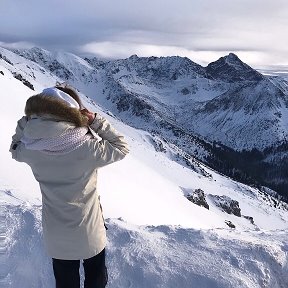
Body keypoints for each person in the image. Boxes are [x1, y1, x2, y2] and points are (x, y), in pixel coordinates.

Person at [9, 83, 129, 288]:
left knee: (65, 283)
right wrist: (95, 121)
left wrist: (26, 123)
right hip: (90, 232)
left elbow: (14, 148)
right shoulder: (86, 146)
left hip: (56, 235)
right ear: (72, 111)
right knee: (96, 280)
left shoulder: (30, 149)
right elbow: (121, 147)